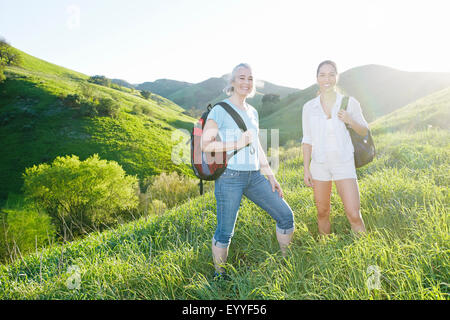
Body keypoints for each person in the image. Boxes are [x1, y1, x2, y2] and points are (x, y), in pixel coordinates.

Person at [201, 63, 295, 279]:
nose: (246, 82)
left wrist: (270, 175)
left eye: (250, 78)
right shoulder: (220, 110)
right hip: (230, 177)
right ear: (232, 82)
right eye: (241, 77)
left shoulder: (252, 111)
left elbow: (256, 146)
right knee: (225, 232)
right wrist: (236, 142)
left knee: (285, 216)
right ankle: (219, 277)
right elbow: (206, 144)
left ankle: (286, 263)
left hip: (255, 177)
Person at [302, 60, 368, 236]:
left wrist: (350, 120)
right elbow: (307, 139)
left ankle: (365, 253)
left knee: (354, 214)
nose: (327, 78)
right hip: (319, 164)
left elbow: (364, 131)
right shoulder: (309, 107)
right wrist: (306, 169)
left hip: (343, 162)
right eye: (322, 74)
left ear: (337, 77)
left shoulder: (349, 102)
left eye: (331, 74)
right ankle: (325, 252)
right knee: (322, 212)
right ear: (317, 78)